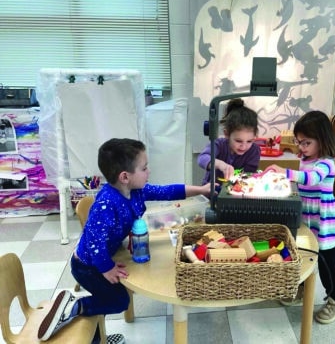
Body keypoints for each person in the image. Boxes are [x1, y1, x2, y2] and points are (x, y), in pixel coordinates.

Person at [38, 138, 213, 343]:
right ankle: (74, 306)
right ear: (125, 176)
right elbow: (94, 243)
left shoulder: (136, 190)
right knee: (118, 300)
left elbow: (167, 191)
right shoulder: (106, 203)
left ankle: (96, 338)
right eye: (144, 168)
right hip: (87, 266)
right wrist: (106, 268)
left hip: (104, 255)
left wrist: (201, 190)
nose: (149, 172)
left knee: (104, 301)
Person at [264, 111, 335, 324]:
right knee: (302, 255)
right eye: (299, 142)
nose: (302, 147)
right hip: (306, 218)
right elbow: (302, 183)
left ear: (323, 139)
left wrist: (285, 172)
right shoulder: (306, 159)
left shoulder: (327, 162)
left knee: (327, 267)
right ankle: (301, 289)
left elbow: (311, 179)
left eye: (306, 142)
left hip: (323, 222)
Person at [198, 98, 260, 185]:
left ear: (255, 136)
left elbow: (249, 174)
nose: (243, 146)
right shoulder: (219, 145)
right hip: (211, 190)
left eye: (249, 141)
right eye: (238, 141)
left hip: (237, 191)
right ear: (227, 134)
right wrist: (220, 165)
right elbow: (202, 158)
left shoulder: (254, 150)